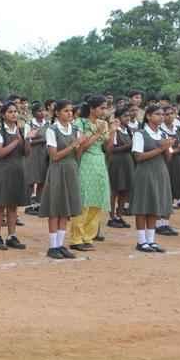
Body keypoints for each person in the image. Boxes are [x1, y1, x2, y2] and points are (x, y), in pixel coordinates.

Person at [39, 100, 81, 259]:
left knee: (65, 209)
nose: (70, 113)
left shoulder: (75, 129)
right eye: (66, 111)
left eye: (71, 111)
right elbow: (54, 156)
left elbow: (78, 155)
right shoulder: (52, 129)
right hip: (57, 170)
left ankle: (60, 245)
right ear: (57, 113)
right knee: (55, 208)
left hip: (71, 169)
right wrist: (73, 145)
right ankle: (53, 246)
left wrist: (81, 146)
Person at [70, 96, 113, 251]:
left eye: (105, 108)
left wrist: (112, 132)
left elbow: (108, 148)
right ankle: (76, 238)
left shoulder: (103, 123)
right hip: (85, 161)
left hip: (99, 162)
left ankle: (88, 236)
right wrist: (97, 133)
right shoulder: (79, 123)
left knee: (97, 200)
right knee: (84, 200)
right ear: (92, 108)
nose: (104, 111)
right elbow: (81, 147)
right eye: (102, 108)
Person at [130, 105, 173, 253]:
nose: (161, 117)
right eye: (157, 114)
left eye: (162, 114)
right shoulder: (140, 134)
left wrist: (167, 148)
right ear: (148, 116)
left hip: (160, 172)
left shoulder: (163, 134)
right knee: (143, 206)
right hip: (145, 172)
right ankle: (141, 241)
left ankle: (151, 240)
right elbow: (138, 157)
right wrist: (160, 148)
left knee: (155, 205)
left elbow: (168, 158)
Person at [0, 101, 29, 251]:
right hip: (2, 172)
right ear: (3, 115)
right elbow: (0, 152)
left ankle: (12, 236)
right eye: (10, 112)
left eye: (15, 111)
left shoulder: (21, 130)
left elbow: (26, 153)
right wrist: (17, 141)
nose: (14, 114)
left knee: (13, 205)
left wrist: (27, 140)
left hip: (18, 171)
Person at [159, 105, 180, 235]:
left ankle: (165, 223)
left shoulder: (177, 129)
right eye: (166, 114)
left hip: (176, 162)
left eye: (171, 114)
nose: (169, 116)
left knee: (172, 191)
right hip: (164, 162)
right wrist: (176, 149)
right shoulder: (160, 131)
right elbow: (167, 150)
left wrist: (176, 149)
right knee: (163, 191)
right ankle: (159, 223)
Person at [107, 107, 134, 229]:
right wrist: (127, 146)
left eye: (128, 116)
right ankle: (112, 216)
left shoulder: (128, 130)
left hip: (128, 162)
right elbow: (110, 149)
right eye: (125, 116)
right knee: (115, 190)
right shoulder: (114, 130)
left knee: (125, 190)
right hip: (117, 162)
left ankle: (119, 215)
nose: (127, 118)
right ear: (118, 118)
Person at [24, 102, 49, 214]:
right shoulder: (29, 124)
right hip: (32, 153)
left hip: (44, 154)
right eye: (39, 111)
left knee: (42, 180)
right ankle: (29, 204)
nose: (42, 113)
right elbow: (27, 140)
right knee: (31, 179)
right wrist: (42, 140)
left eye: (43, 110)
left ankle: (38, 204)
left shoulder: (47, 123)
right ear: (34, 113)